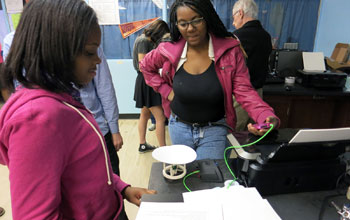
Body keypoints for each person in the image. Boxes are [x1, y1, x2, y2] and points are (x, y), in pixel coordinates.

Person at [0, 0, 155, 219]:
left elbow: (85, 168)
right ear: (57, 50)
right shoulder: (38, 119)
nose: (98, 60)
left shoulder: (64, 97)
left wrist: (121, 188)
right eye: (90, 53)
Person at [140, 0, 279, 160]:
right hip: (179, 127)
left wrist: (265, 114)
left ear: (207, 18)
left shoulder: (230, 51)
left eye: (196, 20)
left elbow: (245, 91)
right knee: (186, 177)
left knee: (209, 178)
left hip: (215, 129)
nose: (190, 28)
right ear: (176, 24)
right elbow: (145, 67)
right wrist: (166, 91)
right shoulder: (168, 49)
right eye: (183, 23)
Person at [232, 0, 272, 131]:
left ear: (241, 13)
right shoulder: (266, 36)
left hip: (241, 98)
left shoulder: (237, 37)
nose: (233, 22)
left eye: (234, 17)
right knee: (252, 137)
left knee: (234, 137)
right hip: (258, 96)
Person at [133, 20, 169, 153]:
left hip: (144, 81)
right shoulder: (144, 40)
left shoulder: (143, 39)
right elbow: (143, 65)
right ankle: (163, 150)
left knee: (145, 113)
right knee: (160, 117)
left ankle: (142, 144)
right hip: (146, 81)